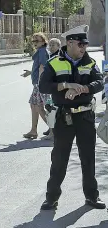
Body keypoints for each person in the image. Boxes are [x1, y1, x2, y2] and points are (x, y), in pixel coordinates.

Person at [39, 25, 106, 210]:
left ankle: (92, 197)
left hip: (85, 116)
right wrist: (65, 86)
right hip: (64, 117)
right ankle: (51, 197)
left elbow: (100, 82)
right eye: (81, 44)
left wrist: (84, 88)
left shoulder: (89, 62)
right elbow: (43, 86)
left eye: (85, 44)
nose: (84, 47)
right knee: (59, 159)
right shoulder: (54, 62)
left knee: (88, 159)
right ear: (69, 43)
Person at [21, 32, 53, 140]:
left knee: (39, 107)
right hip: (38, 83)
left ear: (44, 41)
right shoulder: (40, 51)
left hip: (40, 84)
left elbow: (43, 67)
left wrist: (40, 83)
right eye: (33, 41)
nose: (34, 43)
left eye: (37, 41)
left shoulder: (42, 51)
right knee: (33, 105)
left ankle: (53, 130)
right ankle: (33, 131)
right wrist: (30, 72)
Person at [43, 38, 61, 136]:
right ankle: (50, 129)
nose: (51, 46)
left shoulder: (58, 57)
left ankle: (52, 131)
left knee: (52, 109)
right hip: (51, 87)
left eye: (53, 45)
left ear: (58, 46)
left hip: (55, 87)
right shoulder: (51, 56)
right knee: (49, 108)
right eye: (50, 44)